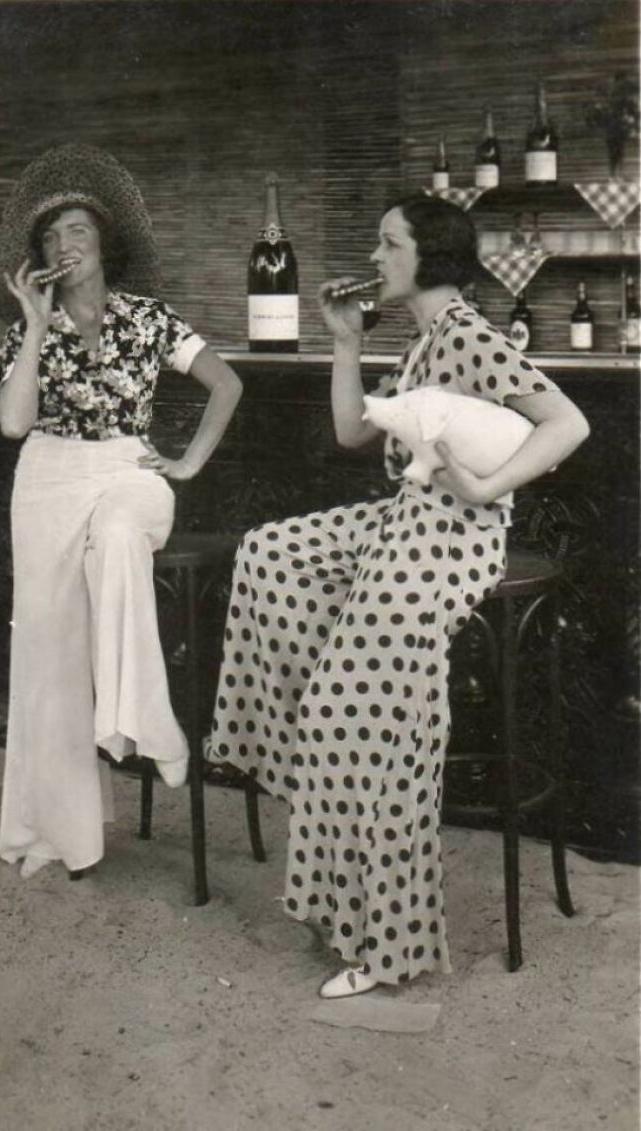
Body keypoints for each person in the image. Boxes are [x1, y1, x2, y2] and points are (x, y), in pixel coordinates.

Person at [207, 195, 589, 998]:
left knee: (351, 708)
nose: (375, 257)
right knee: (269, 553)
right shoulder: (421, 344)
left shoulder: (470, 337)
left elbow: (569, 424)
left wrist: (487, 481)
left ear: (430, 257)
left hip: (450, 538)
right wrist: (345, 342)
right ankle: (308, 750)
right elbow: (354, 434)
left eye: (388, 244)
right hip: (398, 517)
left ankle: (386, 942)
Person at [0, 144, 242, 880]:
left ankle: (144, 718)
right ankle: (60, 833)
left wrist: (189, 460)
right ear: (39, 259)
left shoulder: (149, 319)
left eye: (77, 232)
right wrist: (36, 328)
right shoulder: (27, 330)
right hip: (46, 477)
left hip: (128, 470)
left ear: (104, 244)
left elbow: (225, 383)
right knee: (47, 661)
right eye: (51, 238)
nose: (64, 247)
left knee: (119, 529)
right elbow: (13, 423)